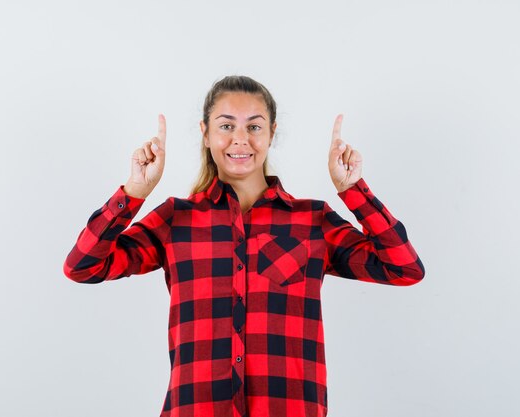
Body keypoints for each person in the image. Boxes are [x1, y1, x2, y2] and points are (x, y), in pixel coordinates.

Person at [63, 75, 425, 417]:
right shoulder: (176, 220)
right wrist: (134, 193)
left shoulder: (311, 221)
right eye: (226, 126)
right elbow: (83, 266)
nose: (240, 139)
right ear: (205, 134)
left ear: (271, 134)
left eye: (254, 126)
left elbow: (403, 268)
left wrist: (353, 191)